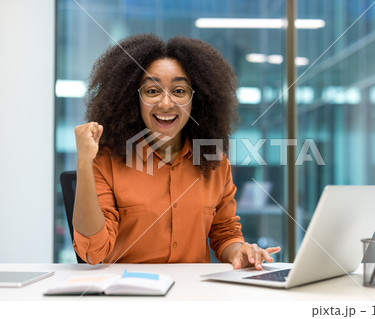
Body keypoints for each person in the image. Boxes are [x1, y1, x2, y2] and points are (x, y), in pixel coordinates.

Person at [73, 33, 280, 269]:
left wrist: (240, 251)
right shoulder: (106, 162)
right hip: (126, 297)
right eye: (152, 91)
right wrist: (83, 163)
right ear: (134, 99)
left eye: (179, 91)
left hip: (192, 295)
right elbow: (93, 252)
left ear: (197, 100)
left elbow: (224, 233)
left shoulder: (214, 162)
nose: (166, 103)